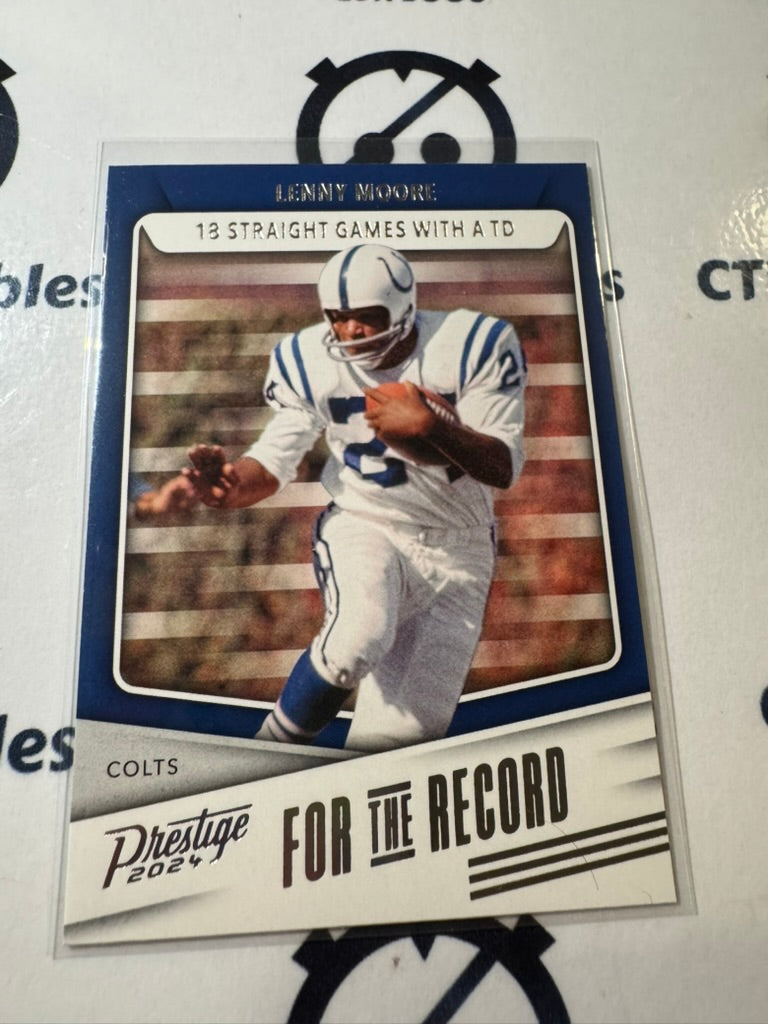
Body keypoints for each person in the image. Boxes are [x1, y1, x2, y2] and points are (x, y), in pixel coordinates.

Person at [185, 243, 527, 752]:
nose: (350, 331)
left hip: (462, 549)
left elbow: (502, 467)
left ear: (403, 307)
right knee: (357, 638)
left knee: (396, 745)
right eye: (338, 318)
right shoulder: (308, 358)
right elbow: (275, 459)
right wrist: (232, 486)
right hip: (367, 522)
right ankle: (264, 756)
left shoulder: (471, 343)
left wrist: (433, 428)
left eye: (366, 317)